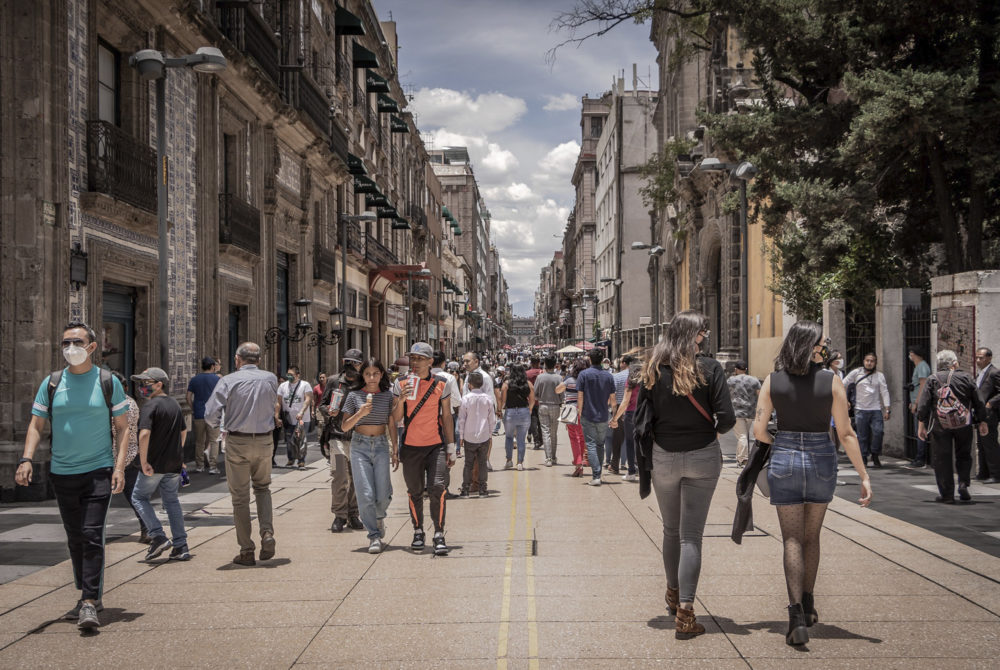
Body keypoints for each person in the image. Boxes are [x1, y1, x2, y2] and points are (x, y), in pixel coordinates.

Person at [752, 320, 872, 646]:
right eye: (821, 343)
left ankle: (795, 617)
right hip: (821, 458)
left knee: (791, 538)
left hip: (785, 457)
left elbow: (759, 430)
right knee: (811, 536)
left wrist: (780, 444)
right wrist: (863, 476)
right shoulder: (831, 380)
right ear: (809, 345)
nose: (824, 348)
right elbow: (846, 433)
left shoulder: (773, 380)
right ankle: (808, 603)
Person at [16, 321, 130, 629]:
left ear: (92, 347)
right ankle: (87, 592)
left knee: (92, 534)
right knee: (75, 537)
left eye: (77, 342)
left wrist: (119, 468)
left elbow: (123, 428)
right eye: (66, 343)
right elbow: (36, 424)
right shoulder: (52, 383)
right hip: (62, 472)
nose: (70, 348)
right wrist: (26, 459)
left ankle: (89, 601)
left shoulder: (107, 381)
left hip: (98, 471)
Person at [638, 310, 735, 640]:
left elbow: (643, 416)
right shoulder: (711, 368)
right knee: (691, 535)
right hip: (703, 455)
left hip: (664, 455)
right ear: (694, 335)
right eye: (703, 333)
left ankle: (672, 593)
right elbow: (727, 417)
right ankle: (686, 613)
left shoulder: (654, 368)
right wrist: (710, 434)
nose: (705, 338)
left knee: (670, 529)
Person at [204, 341, 280, 566]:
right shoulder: (271, 379)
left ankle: (247, 550)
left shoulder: (228, 380)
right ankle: (267, 532)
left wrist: (218, 427)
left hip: (238, 441)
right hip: (265, 440)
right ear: (259, 360)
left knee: (240, 498)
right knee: (263, 488)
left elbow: (210, 412)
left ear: (237, 359)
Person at [391, 342, 457, 556]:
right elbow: (396, 418)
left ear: (430, 362)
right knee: (415, 491)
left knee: (437, 488)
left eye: (420, 358)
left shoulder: (442, 384)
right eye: (413, 358)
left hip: (435, 446)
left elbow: (446, 416)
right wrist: (401, 400)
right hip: (411, 447)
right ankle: (418, 530)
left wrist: (451, 446)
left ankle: (439, 533)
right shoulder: (400, 383)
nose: (415, 362)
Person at [130, 367, 189, 562]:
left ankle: (158, 536)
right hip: (173, 464)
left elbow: (144, 434)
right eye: (140, 383)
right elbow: (183, 431)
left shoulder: (150, 405)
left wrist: (144, 461)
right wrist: (178, 453)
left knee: (139, 497)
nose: (141, 387)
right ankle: (181, 545)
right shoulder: (174, 404)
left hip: (154, 464)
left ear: (159, 385)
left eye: (145, 383)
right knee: (171, 501)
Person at [339, 359, 398, 554]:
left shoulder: (387, 396)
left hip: (380, 445)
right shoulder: (354, 395)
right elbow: (344, 426)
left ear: (381, 375)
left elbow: (392, 423)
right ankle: (373, 535)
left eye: (375, 374)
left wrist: (395, 449)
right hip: (359, 446)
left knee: (383, 494)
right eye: (367, 374)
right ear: (362, 376)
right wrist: (360, 413)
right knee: (365, 493)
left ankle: (378, 518)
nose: (372, 378)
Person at [918, 349, 989, 502]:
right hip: (963, 423)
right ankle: (963, 483)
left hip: (940, 424)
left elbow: (923, 405)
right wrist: (981, 420)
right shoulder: (966, 378)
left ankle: (947, 494)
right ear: (954, 363)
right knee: (964, 454)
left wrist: (921, 423)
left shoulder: (933, 379)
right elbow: (979, 401)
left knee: (942, 457)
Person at [320, 349, 364, 533]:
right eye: (348, 362)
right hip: (337, 437)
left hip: (358, 439)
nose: (350, 366)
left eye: (354, 363)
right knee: (339, 477)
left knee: (356, 478)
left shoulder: (364, 383)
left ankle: (353, 514)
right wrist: (328, 411)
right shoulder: (333, 381)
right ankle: (339, 515)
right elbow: (322, 404)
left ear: (360, 365)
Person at [110, 371, 147, 543]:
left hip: (126, 456)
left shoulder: (126, 405)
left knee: (135, 497)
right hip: (118, 456)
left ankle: (148, 528)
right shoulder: (122, 403)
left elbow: (119, 430)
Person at [576, 348, 617, 485]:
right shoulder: (609, 376)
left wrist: (579, 411)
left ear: (590, 359)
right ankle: (598, 474)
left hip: (588, 414)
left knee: (591, 444)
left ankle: (596, 475)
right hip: (603, 416)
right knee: (600, 444)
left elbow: (580, 396)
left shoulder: (583, 375)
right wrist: (614, 416)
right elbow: (613, 400)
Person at [843, 353, 891, 467]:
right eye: (867, 360)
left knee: (878, 432)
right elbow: (843, 383)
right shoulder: (856, 373)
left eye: (872, 361)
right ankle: (863, 457)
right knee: (862, 435)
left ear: (875, 363)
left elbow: (884, 392)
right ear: (864, 361)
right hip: (860, 409)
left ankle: (875, 454)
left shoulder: (879, 376)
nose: (869, 363)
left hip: (876, 409)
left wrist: (887, 409)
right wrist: (845, 399)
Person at [458, 371, 494, 497]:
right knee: (482, 462)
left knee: (468, 463)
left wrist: (461, 436)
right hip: (484, 435)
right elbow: (492, 419)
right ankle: (483, 489)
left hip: (469, 435)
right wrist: (490, 434)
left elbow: (461, 419)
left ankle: (465, 489)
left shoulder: (465, 399)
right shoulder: (488, 399)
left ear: (470, 384)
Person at [187, 357, 221, 474]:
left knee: (199, 442)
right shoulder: (217, 379)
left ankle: (199, 466)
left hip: (199, 414)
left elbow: (188, 397)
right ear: (212, 366)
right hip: (213, 415)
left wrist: (194, 408)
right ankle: (213, 467)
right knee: (214, 441)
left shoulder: (194, 379)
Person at [610, 362, 642, 481]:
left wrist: (615, 419)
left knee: (630, 442)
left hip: (631, 414)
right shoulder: (647, 382)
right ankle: (645, 472)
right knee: (642, 443)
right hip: (644, 414)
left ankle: (631, 472)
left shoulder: (631, 382)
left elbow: (625, 402)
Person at [557, 358, 590, 476]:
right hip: (584, 410)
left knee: (573, 438)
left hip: (571, 410)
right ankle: (580, 460)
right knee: (581, 437)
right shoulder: (586, 380)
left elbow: (557, 390)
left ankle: (578, 462)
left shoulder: (569, 380)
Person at [500, 363, 535, 470]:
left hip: (510, 412)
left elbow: (503, 401)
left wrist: (499, 410)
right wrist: (529, 409)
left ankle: (509, 460)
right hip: (524, 412)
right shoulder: (528, 384)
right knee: (521, 438)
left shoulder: (506, 384)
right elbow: (532, 400)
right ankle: (520, 462)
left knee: (509, 437)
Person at [277, 365, 312, 469]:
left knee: (300, 439)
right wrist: (277, 416)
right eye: (288, 374)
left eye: (291, 375)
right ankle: (291, 459)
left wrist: (301, 412)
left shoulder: (305, 385)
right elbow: (278, 402)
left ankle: (301, 461)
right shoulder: (282, 386)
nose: (289, 376)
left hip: (302, 418)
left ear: (298, 375)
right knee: (289, 440)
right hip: (288, 418)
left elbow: (308, 399)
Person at [727, 360, 761, 468]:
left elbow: (725, 394)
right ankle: (740, 458)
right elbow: (760, 395)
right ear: (746, 369)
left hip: (736, 412)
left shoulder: (731, 380)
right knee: (744, 435)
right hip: (750, 411)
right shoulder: (754, 380)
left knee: (742, 436)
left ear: (736, 369)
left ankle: (743, 459)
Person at [974, 348, 1000, 482]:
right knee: (981, 444)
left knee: (990, 444)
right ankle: (983, 473)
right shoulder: (980, 374)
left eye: (981, 358)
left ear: (989, 358)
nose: (978, 360)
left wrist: (990, 403)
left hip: (990, 414)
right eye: (977, 357)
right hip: (980, 414)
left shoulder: (994, 372)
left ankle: (996, 474)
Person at [606, 355, 636, 473]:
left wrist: (613, 414)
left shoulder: (617, 376)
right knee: (634, 438)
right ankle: (634, 464)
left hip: (619, 408)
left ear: (624, 363)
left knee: (617, 439)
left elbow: (612, 395)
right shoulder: (638, 376)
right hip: (635, 409)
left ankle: (614, 465)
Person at [533, 356, 563, 467]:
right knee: (554, 432)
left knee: (545, 431)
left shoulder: (540, 377)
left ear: (545, 364)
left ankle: (548, 458)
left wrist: (540, 398)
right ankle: (553, 457)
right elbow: (562, 395)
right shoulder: (559, 378)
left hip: (543, 406)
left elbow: (535, 394)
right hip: (555, 406)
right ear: (555, 364)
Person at [907, 347, 932, 468]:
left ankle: (921, 458)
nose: (910, 355)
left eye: (911, 353)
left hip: (920, 405)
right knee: (919, 431)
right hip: (917, 403)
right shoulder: (919, 366)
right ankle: (919, 456)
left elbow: (923, 386)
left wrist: (916, 403)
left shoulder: (922, 366)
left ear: (914, 354)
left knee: (920, 431)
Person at [526, 356, 544, 448]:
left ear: (531, 363)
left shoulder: (527, 373)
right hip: (542, 401)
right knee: (541, 422)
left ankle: (536, 440)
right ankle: (541, 439)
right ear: (539, 362)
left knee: (533, 421)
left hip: (530, 401)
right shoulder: (543, 372)